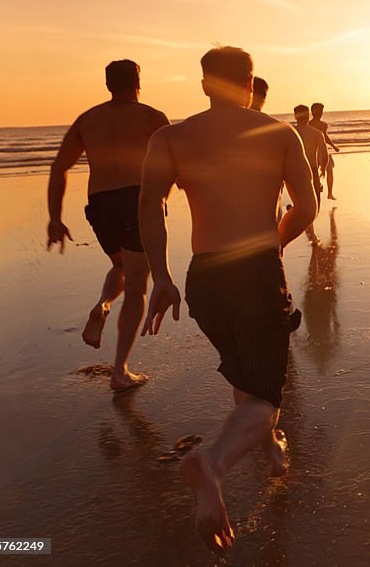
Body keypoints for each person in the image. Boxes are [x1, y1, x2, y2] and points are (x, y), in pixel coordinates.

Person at [138, 46, 317, 553]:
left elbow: (149, 204)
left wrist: (161, 277)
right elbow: (307, 206)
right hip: (257, 272)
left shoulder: (171, 136)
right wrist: (275, 243)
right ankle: (211, 464)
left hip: (203, 279)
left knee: (245, 371)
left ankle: (271, 444)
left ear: (202, 84)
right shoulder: (278, 133)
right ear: (250, 83)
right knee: (264, 394)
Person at [46, 59, 169, 391]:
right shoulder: (151, 117)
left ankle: (102, 305)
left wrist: (55, 217)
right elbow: (173, 162)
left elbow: (59, 168)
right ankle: (120, 371)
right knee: (137, 286)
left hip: (99, 203)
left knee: (121, 266)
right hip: (136, 199)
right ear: (138, 81)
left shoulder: (88, 119)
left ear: (107, 84)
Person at [293, 104, 328, 244]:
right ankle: (312, 235)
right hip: (311, 169)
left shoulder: (291, 131)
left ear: (295, 116)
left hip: (294, 170)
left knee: (302, 200)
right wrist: (323, 169)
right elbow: (324, 154)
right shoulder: (315, 133)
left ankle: (297, 214)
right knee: (315, 204)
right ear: (308, 115)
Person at [309, 102, 339, 200]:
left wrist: (333, 146)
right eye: (318, 111)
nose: (320, 113)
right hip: (315, 150)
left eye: (321, 111)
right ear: (312, 111)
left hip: (322, 150)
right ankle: (316, 189)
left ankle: (329, 193)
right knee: (314, 171)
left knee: (329, 170)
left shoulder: (322, 125)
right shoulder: (309, 124)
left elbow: (325, 137)